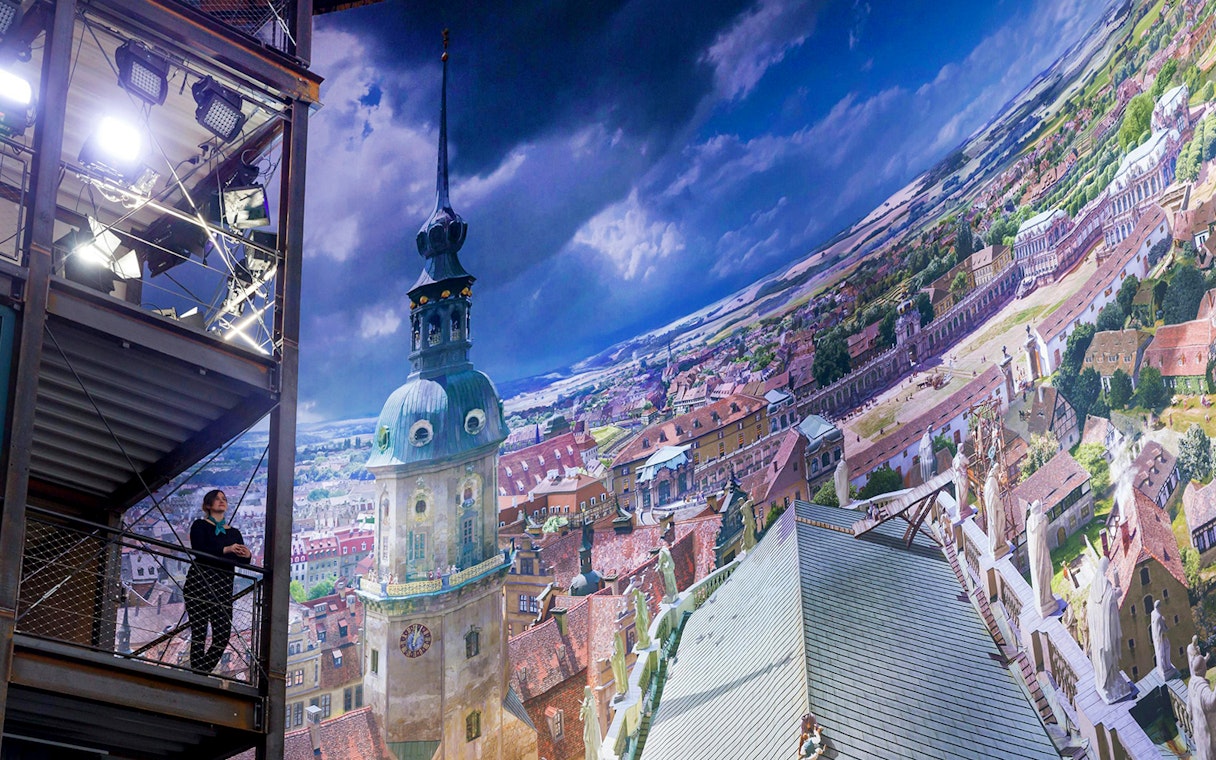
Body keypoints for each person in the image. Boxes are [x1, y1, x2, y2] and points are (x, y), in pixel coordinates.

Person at [184, 490, 251, 673]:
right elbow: (199, 549)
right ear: (207, 505)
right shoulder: (199, 525)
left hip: (221, 586)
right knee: (199, 631)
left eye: (224, 499)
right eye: (217, 499)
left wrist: (247, 555)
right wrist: (226, 549)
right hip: (200, 583)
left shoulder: (234, 532)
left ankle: (200, 672)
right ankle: (199, 673)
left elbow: (241, 559)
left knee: (221, 635)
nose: (221, 501)